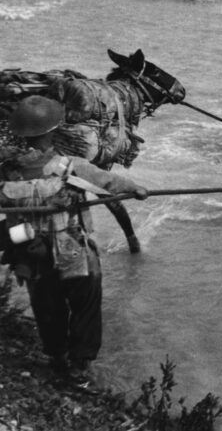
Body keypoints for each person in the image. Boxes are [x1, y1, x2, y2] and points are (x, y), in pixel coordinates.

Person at [0, 96, 148, 385]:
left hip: (32, 254)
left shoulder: (6, 171)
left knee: (47, 308)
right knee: (86, 307)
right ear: (53, 131)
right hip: (73, 252)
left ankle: (56, 358)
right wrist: (138, 189)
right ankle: (80, 368)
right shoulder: (71, 165)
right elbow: (110, 183)